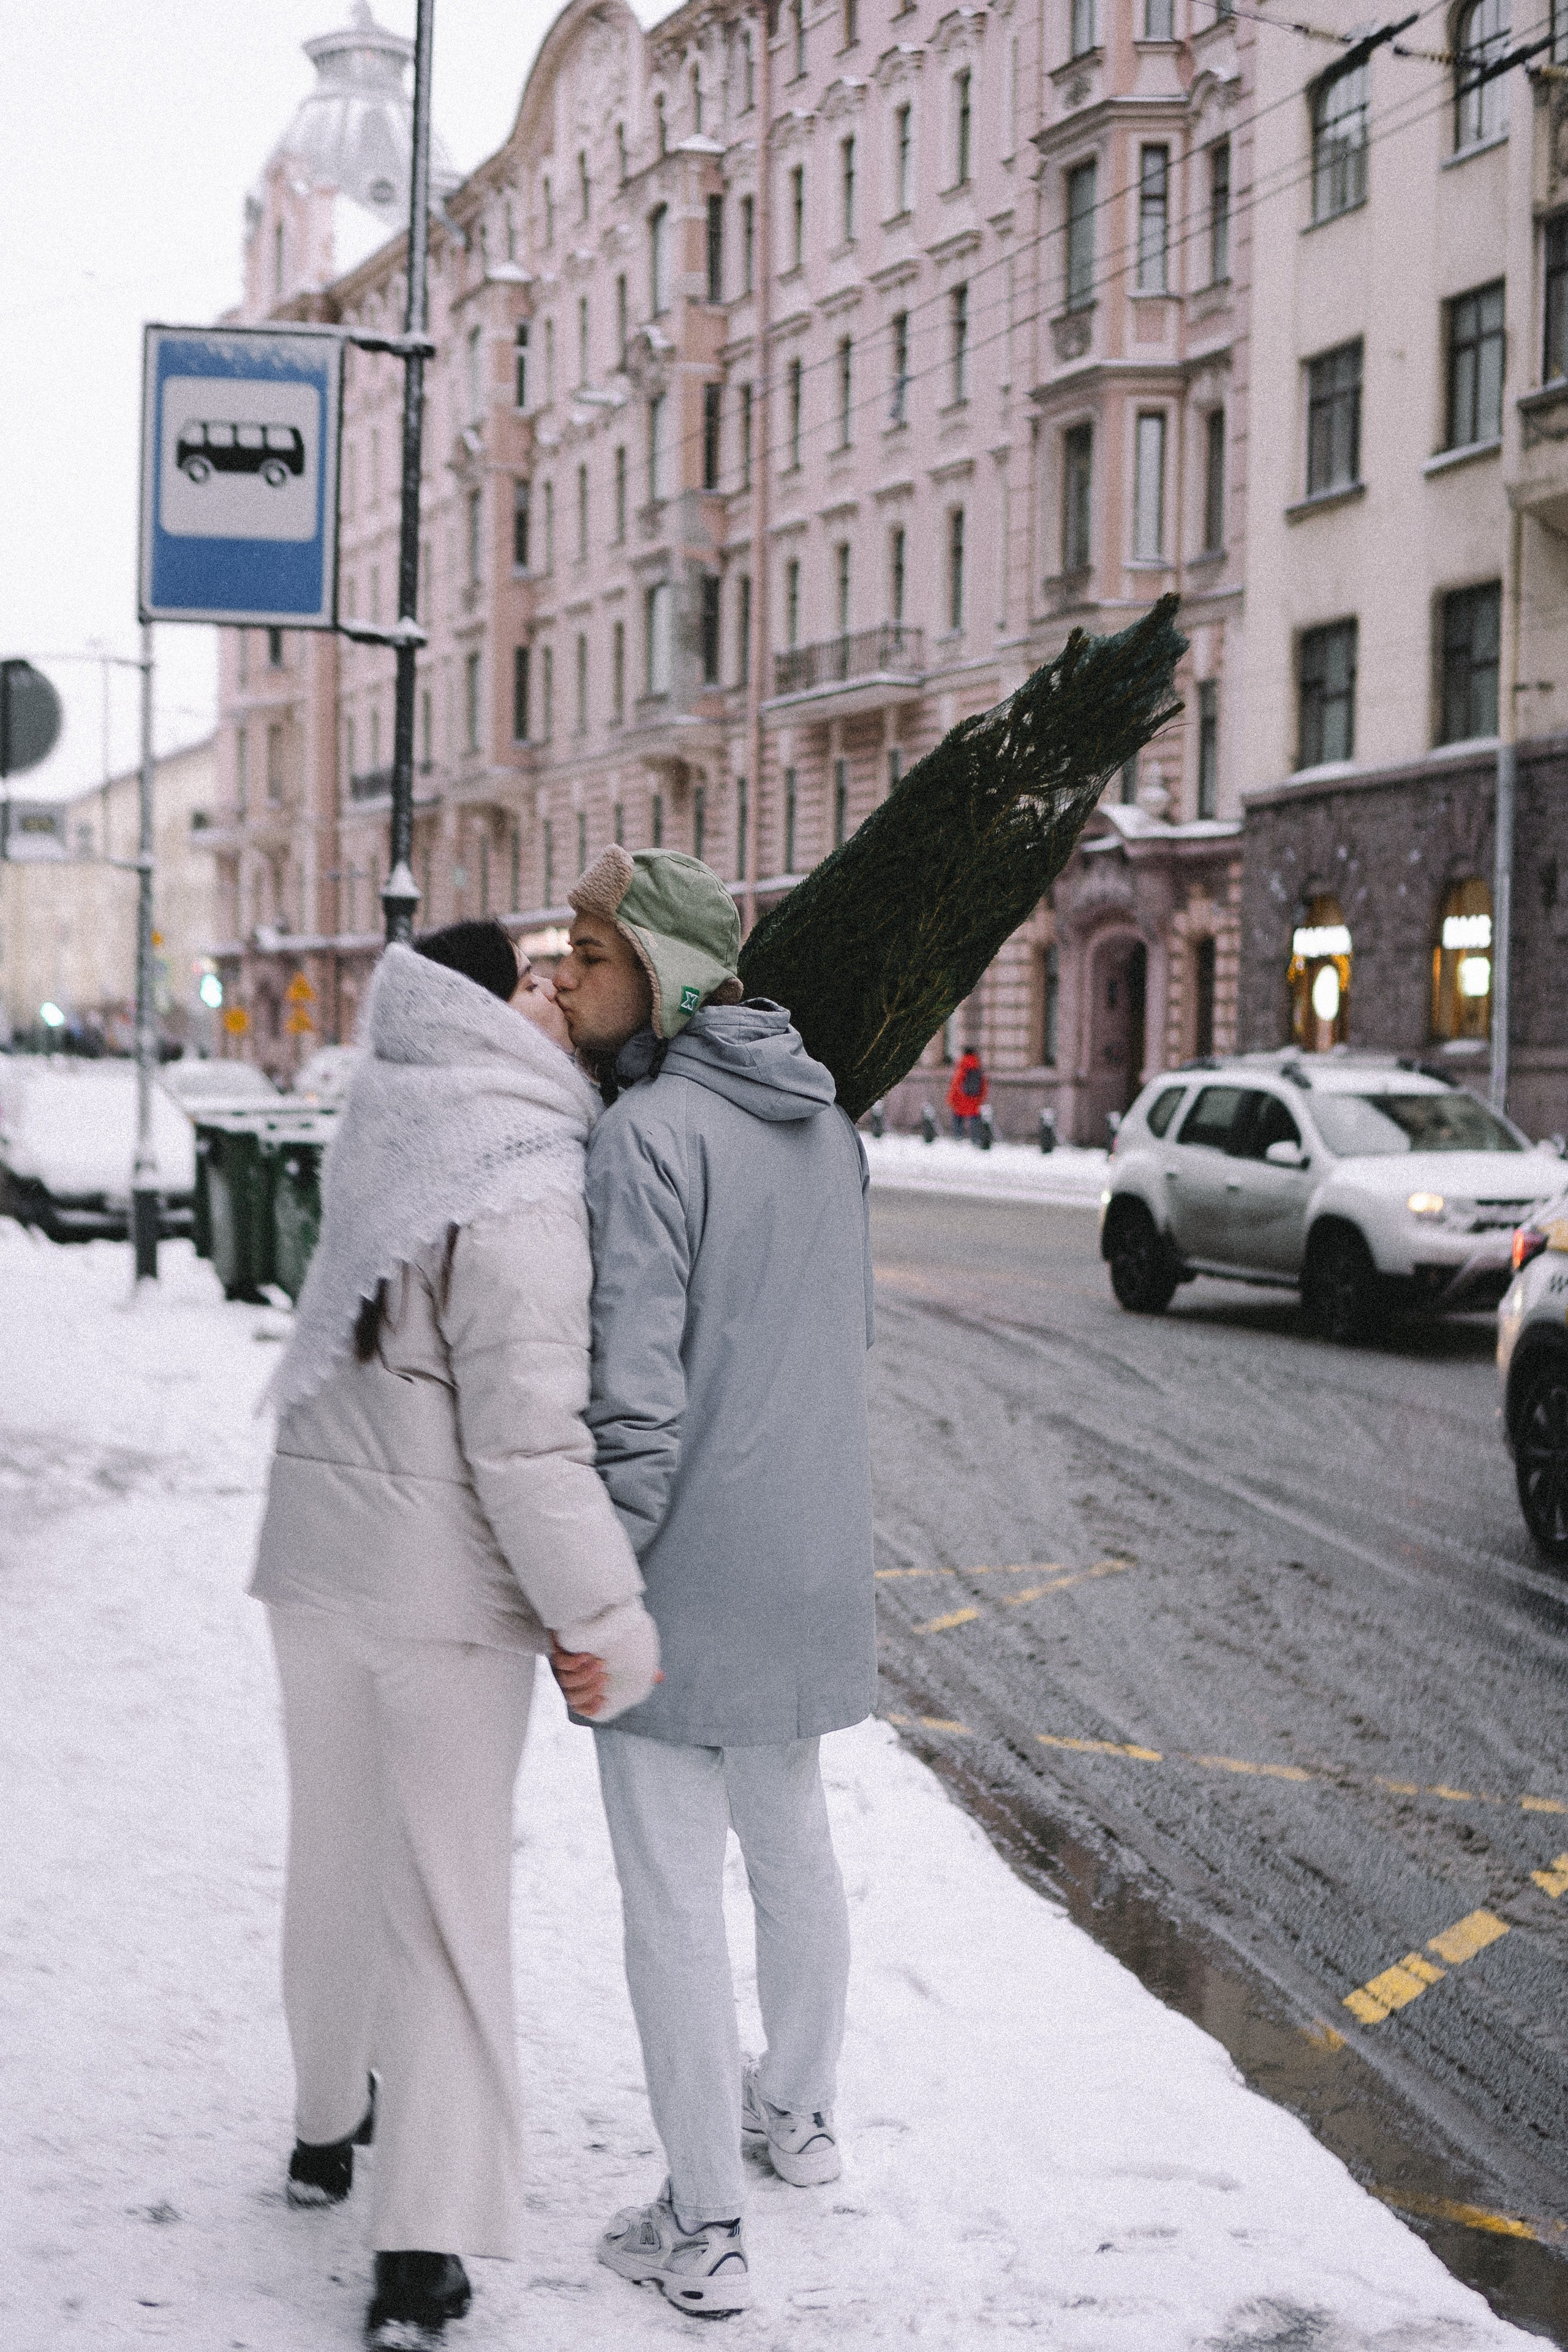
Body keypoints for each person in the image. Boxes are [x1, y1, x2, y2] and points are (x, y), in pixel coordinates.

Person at [251, 918, 660, 2350]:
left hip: (312, 1557)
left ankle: (323, 2128)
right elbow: (529, 1440)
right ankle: (419, 2247)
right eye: (535, 985)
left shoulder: (385, 1109)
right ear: (483, 1014)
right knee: (444, 1903)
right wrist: (606, 1613)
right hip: (435, 1590)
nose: (557, 998)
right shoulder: (522, 1170)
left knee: (335, 1855)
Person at [548, 846, 876, 2319]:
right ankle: (794, 2115)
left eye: (592, 953)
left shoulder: (646, 1137)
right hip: (809, 1560)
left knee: (670, 1896)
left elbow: (634, 1400)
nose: (569, 978)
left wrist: (593, 1586)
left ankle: (702, 2221)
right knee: (790, 1838)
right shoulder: (827, 1125)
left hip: (682, 1574)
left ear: (668, 979)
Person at [946, 1045, 987, 1138]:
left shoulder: (962, 1066)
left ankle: (958, 1138)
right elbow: (984, 1085)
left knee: (958, 1118)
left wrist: (951, 1099)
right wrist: (981, 1098)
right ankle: (975, 1139)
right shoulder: (978, 1067)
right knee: (974, 1119)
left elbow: (955, 1085)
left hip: (962, 1098)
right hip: (974, 1099)